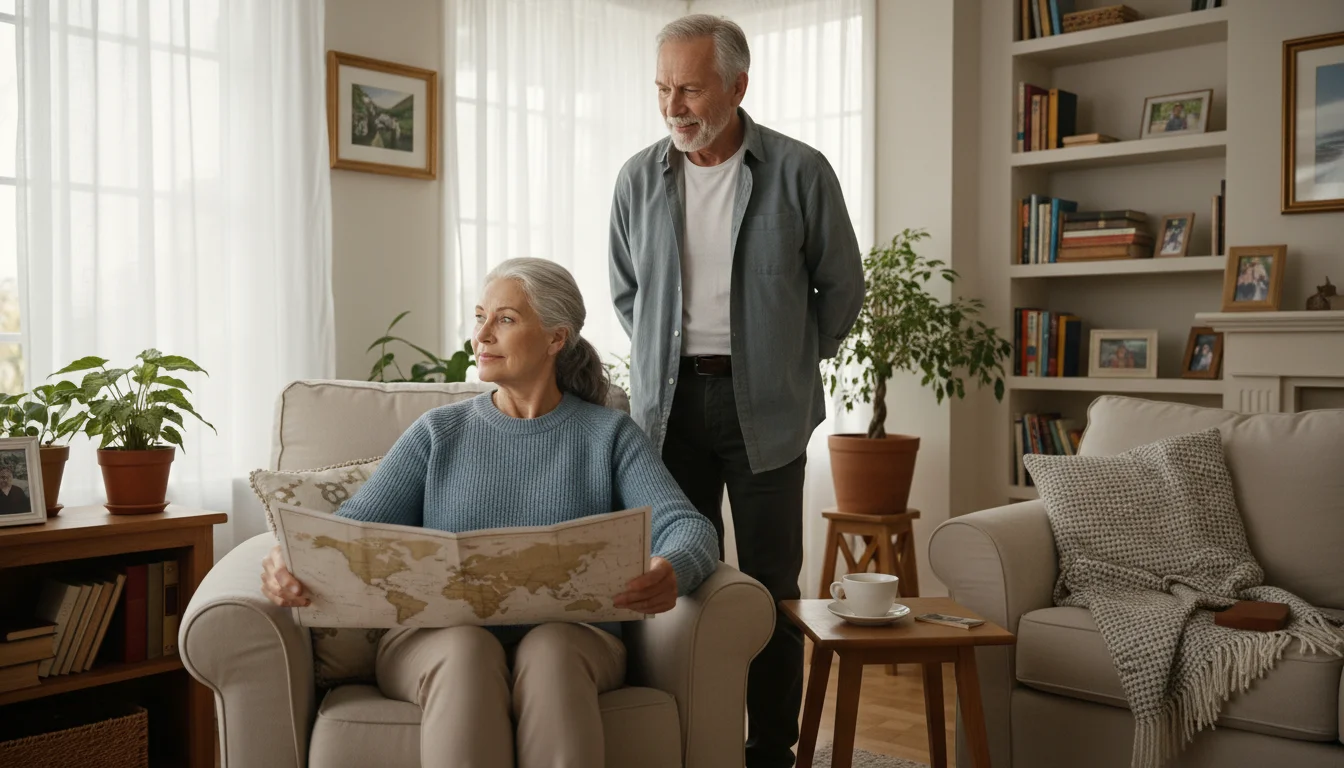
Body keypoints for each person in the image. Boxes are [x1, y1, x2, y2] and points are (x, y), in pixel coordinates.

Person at [261, 258, 720, 768]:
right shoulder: (439, 433)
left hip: (575, 640)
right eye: (480, 316)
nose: (480, 334)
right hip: (433, 641)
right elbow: (347, 528)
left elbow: (687, 526)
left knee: (550, 653)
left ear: (555, 338)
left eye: (504, 319)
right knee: (467, 652)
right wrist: (288, 560)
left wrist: (671, 569)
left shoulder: (609, 436)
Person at [608, 14, 865, 768]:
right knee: (680, 577)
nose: (674, 105)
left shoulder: (799, 170)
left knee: (770, 587)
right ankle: (693, 737)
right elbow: (627, 292)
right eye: (663, 88)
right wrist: (667, 354)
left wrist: (786, 361)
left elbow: (842, 287)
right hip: (669, 408)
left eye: (690, 87)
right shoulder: (637, 179)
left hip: (770, 410)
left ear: (738, 85)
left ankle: (770, 750)